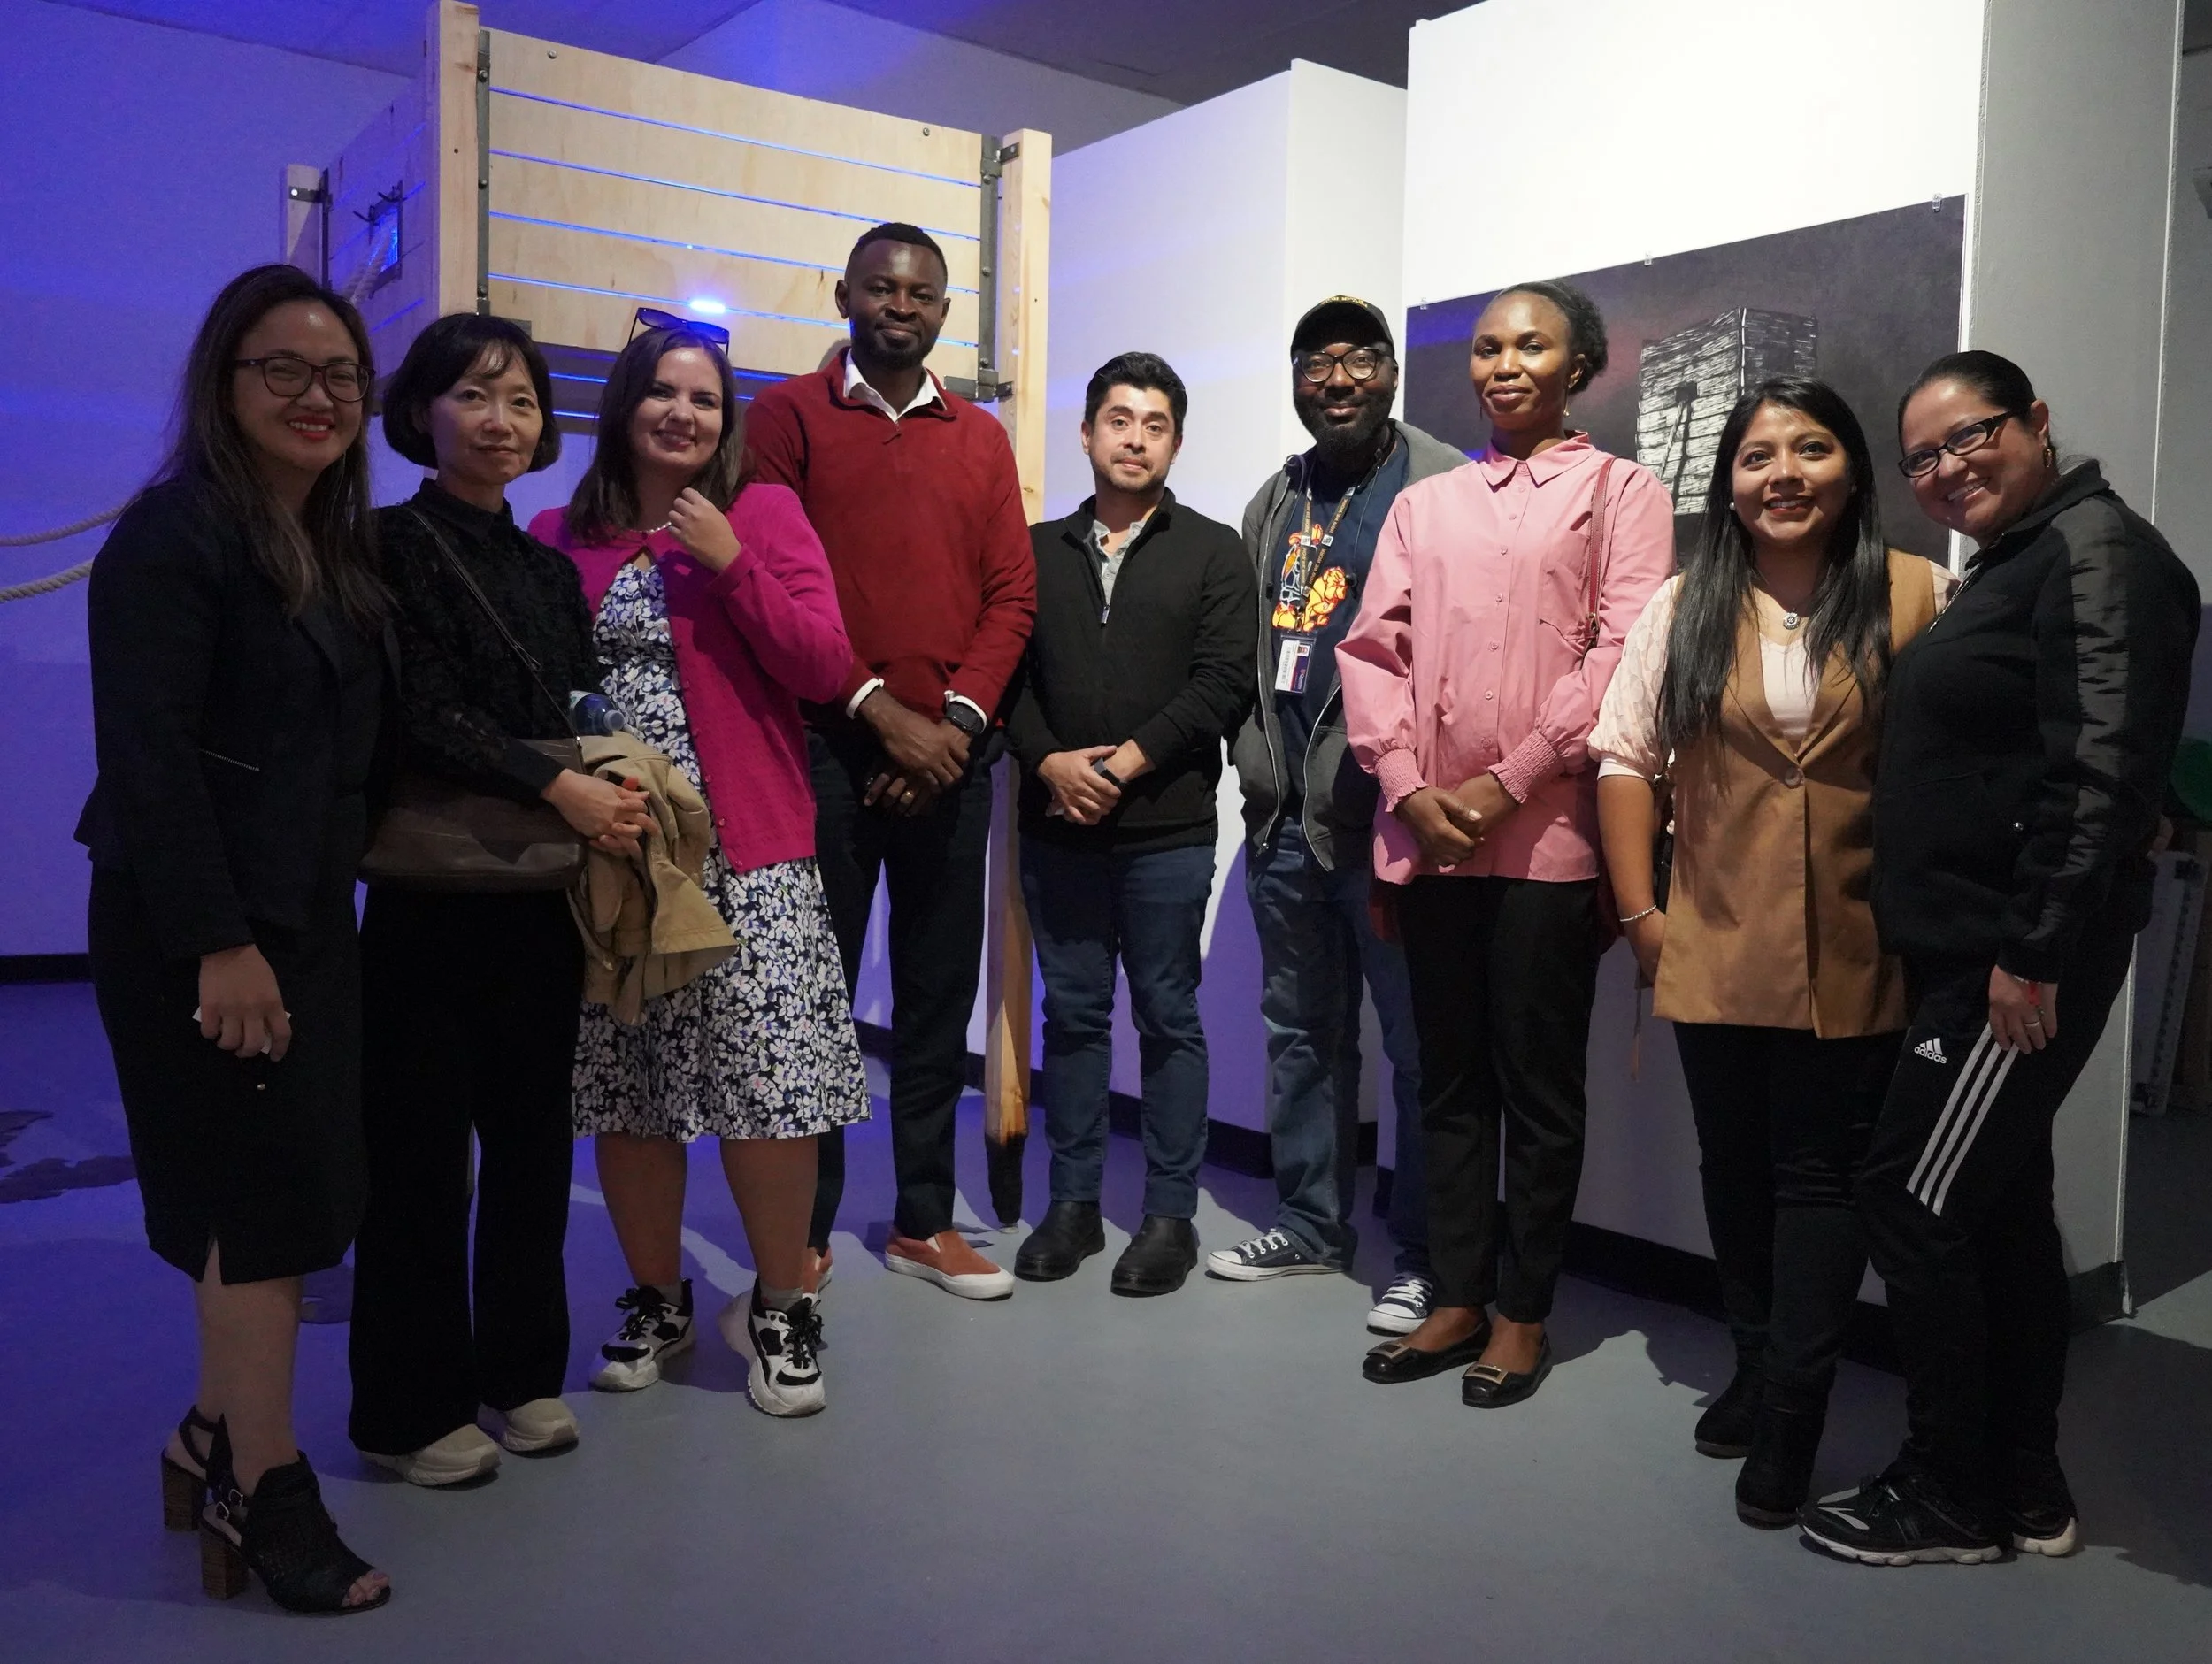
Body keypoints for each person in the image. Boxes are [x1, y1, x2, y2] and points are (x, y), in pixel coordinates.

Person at [1801, 352, 2199, 1566]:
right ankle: (2023, 1485)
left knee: (1909, 1197)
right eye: (1921, 457)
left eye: (1969, 436)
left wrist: (2033, 954)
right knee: (1998, 1209)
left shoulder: (2097, 554)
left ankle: (1950, 1491)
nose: (1946, 468)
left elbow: (2101, 774)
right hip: (1974, 954)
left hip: (2007, 968)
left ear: (2034, 421)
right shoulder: (2024, 561)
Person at [78, 263, 391, 1612]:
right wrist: (219, 942)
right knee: (257, 1208)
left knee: (286, 1195)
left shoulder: (327, 547)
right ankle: (262, 1487)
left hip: (304, 916)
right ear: (225, 380)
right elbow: (149, 757)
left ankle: (208, 1434)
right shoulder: (174, 535)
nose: (318, 395)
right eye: (285, 369)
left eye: (340, 375)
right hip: (197, 924)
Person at [1591, 379, 1954, 1522]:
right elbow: (1624, 758)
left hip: (1861, 938)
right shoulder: (1686, 604)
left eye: (1810, 449)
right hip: (1711, 935)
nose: (1783, 473)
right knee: (1734, 1167)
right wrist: (1641, 917)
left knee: (1819, 1177)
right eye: (1757, 456)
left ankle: (1795, 1409)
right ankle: (1753, 1364)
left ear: (1852, 469)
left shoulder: (1920, 592)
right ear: (1729, 483)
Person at [1340, 281, 1671, 1405]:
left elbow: (1625, 652)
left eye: (1531, 344)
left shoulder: (1623, 492)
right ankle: (1454, 1297)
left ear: (1578, 363)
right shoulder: (1425, 506)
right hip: (1430, 835)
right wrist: (1406, 785)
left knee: (1536, 1089)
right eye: (1487, 347)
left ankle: (1522, 1314)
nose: (1504, 364)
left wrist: (1510, 778)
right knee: (1444, 1080)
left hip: (1550, 842)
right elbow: (1371, 652)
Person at [534, 318, 871, 1415]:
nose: (683, 413)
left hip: (750, 850)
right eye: (663, 392)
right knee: (630, 1089)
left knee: (767, 1089)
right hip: (617, 858)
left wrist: (731, 564)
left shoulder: (760, 515)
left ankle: (782, 1305)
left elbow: (824, 665)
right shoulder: (558, 534)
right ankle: (657, 1299)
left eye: (706, 399)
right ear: (623, 403)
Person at [346, 314, 650, 1484]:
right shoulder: (385, 542)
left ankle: (521, 1372)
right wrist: (559, 785)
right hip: (429, 890)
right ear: (420, 413)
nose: (501, 421)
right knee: (419, 1156)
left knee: (531, 1146)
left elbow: (576, 702)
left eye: (521, 400)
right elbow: (417, 710)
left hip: (536, 891)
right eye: (473, 396)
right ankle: (407, 1410)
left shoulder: (544, 568)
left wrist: (612, 777)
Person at [746, 222, 1037, 1300]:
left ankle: (923, 1220)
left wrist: (946, 730)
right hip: (824, 749)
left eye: (919, 293)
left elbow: (1012, 594)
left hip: (951, 759)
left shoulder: (981, 438)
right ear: (844, 297)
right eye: (880, 288)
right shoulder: (784, 418)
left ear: (945, 312)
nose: (899, 306)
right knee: (815, 1000)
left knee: (934, 995)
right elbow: (771, 586)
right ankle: (803, 1231)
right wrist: (879, 716)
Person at [1215, 296, 1468, 1335]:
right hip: (1284, 821)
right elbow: (1245, 652)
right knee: (1301, 1036)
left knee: (1418, 1050)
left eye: (1359, 358)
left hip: (1393, 824)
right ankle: (1311, 1224)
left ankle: (1424, 1257)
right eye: (1315, 362)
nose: (1337, 379)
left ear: (1391, 373)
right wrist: (1251, 766)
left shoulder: (1440, 481)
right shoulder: (1278, 498)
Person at [1005, 353, 1256, 1295]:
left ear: (1176, 444)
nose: (1135, 439)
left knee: (1167, 1017)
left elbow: (1222, 683)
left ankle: (1168, 1215)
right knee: (1071, 1018)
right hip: (1056, 825)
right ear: (1086, 434)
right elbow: (1004, 677)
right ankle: (1071, 1205)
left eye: (1155, 425)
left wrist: (1121, 764)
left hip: (1167, 830)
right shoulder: (1034, 550)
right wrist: (1049, 762)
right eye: (1119, 419)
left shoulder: (1213, 551)